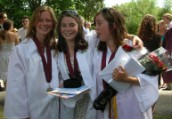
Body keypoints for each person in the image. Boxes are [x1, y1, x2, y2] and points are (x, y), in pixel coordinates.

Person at [93, 8, 159, 119]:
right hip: (105, 108)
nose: (96, 28)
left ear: (113, 25)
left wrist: (127, 79)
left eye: (99, 24)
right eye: (95, 24)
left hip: (131, 107)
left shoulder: (134, 48)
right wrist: (131, 35)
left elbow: (152, 77)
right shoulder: (96, 50)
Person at [4, 5, 59, 119]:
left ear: (53, 23)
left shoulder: (56, 48)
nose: (44, 23)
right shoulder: (22, 50)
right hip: (34, 111)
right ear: (33, 23)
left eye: (48, 20)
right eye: (40, 20)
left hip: (57, 109)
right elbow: (16, 87)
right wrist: (22, 116)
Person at [56, 10, 96, 119]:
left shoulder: (90, 42)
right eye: (64, 25)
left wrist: (131, 37)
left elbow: (109, 33)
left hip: (88, 98)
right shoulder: (58, 50)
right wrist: (60, 84)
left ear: (79, 26)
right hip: (68, 98)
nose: (67, 29)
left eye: (72, 25)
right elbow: (58, 74)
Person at [0, 19, 19, 88]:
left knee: (3, 73)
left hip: (2, 55)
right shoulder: (14, 34)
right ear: (11, 26)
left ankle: (4, 87)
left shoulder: (1, 34)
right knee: (11, 74)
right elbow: (18, 46)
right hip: (11, 55)